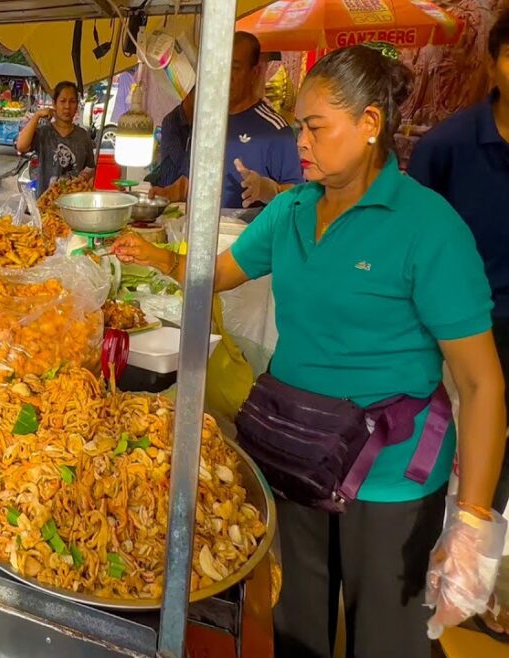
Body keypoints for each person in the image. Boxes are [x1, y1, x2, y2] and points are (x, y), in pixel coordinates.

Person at [113, 46, 506, 658]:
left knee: (385, 641)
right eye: (299, 125)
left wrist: (474, 522)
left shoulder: (429, 228)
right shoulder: (291, 210)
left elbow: (482, 385)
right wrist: (158, 257)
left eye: (316, 127)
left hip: (389, 480)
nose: (300, 141)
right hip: (296, 453)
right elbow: (220, 273)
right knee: (297, 630)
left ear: (370, 123)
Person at [409, 8, 509, 638]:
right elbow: (408, 236)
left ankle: (478, 581)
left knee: (498, 464)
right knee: (446, 452)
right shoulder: (447, 147)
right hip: (460, 331)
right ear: (495, 63)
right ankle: (428, 571)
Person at [152, 32, 303, 210]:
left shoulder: (275, 130)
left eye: (235, 68)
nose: (226, 75)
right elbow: (190, 182)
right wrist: (168, 193)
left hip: (252, 227)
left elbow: (297, 196)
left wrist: (267, 189)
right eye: (222, 66)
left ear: (254, 73)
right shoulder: (207, 122)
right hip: (201, 226)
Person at [16, 80, 95, 195]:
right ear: (54, 104)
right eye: (62, 101)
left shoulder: (83, 136)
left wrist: (84, 179)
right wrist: (37, 116)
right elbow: (21, 146)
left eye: (72, 101)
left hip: (73, 202)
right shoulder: (44, 133)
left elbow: (91, 168)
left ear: (77, 105)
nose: (67, 106)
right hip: (45, 201)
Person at [145, 88, 193, 188]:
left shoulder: (198, 121)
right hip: (170, 182)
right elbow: (178, 161)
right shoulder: (171, 122)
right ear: (188, 96)